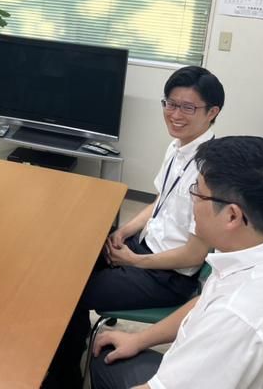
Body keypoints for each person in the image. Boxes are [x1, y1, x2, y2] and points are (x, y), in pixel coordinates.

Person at [91, 136, 263, 389]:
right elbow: (204, 302)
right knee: (108, 359)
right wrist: (138, 339)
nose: (192, 201)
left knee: (105, 361)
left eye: (197, 193)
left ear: (232, 216)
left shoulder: (238, 317)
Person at [44, 66, 224, 388]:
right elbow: (160, 201)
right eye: (170, 103)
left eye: (188, 107)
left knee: (68, 293)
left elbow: (194, 255)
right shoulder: (178, 147)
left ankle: (64, 376)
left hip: (167, 277)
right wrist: (124, 231)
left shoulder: (209, 170)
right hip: (143, 250)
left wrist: (135, 261)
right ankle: (66, 348)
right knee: (70, 259)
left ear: (212, 112)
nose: (175, 114)